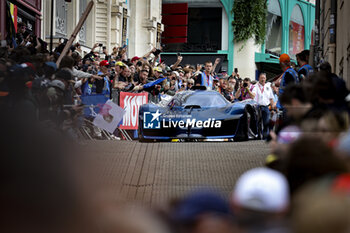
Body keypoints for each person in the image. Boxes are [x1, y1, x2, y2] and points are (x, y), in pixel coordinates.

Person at [252, 73, 275, 139]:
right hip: (258, 107)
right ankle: (258, 136)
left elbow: (271, 99)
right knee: (258, 123)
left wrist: (273, 109)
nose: (262, 79)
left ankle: (265, 137)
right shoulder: (255, 86)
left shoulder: (268, 87)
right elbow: (253, 94)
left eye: (264, 78)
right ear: (258, 78)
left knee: (266, 122)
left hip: (266, 107)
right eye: (261, 78)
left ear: (266, 79)